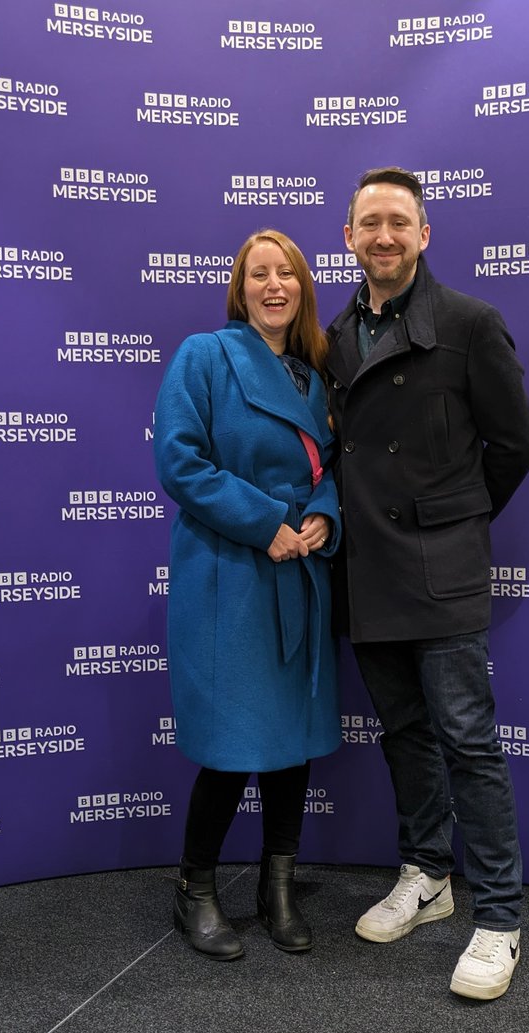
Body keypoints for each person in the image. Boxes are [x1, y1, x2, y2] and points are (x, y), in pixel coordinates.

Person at [326, 167, 529, 1000]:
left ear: (424, 234)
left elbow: (513, 446)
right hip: (368, 570)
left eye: (399, 223)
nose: (384, 236)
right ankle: (426, 875)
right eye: (369, 223)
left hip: (441, 568)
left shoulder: (468, 322)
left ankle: (499, 917)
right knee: (404, 732)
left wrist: (453, 523)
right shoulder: (334, 332)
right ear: (349, 237)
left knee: (469, 741)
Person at [154, 229, 341, 961]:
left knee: (290, 745)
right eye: (258, 273)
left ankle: (278, 886)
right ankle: (194, 890)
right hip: (230, 573)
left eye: (286, 273)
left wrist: (326, 511)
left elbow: (328, 466)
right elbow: (180, 460)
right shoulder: (204, 355)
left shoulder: (312, 376)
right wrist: (266, 525)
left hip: (303, 570)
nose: (273, 284)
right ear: (241, 288)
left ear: (301, 288)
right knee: (233, 743)